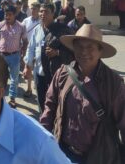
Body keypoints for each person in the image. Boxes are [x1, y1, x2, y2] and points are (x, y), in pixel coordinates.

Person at [40, 24, 125, 164]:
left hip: (98, 157)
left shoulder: (113, 83)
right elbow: (50, 106)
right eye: (79, 46)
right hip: (61, 153)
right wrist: (43, 141)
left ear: (100, 51)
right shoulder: (63, 73)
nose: (84, 52)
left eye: (90, 47)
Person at [24, 3, 73, 113]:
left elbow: (73, 52)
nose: (42, 14)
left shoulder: (62, 30)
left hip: (55, 75)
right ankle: (44, 125)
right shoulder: (37, 30)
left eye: (46, 12)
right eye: (41, 11)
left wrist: (58, 52)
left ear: (53, 14)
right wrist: (28, 66)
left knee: (56, 103)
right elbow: (31, 48)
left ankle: (56, 126)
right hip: (39, 74)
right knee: (42, 102)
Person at [0, 5, 28, 108]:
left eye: (9, 15)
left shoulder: (21, 26)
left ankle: (12, 98)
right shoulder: (0, 25)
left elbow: (25, 41)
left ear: (15, 15)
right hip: (1, 55)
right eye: (5, 14)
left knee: (14, 79)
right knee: (0, 78)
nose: (7, 17)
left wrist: (23, 55)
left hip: (15, 56)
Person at [22, 2, 41, 98]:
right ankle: (28, 88)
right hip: (28, 48)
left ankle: (37, 86)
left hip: (38, 48)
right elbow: (21, 33)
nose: (33, 11)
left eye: (35, 9)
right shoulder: (26, 20)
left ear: (39, 10)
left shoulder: (42, 21)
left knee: (37, 69)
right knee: (28, 67)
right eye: (32, 8)